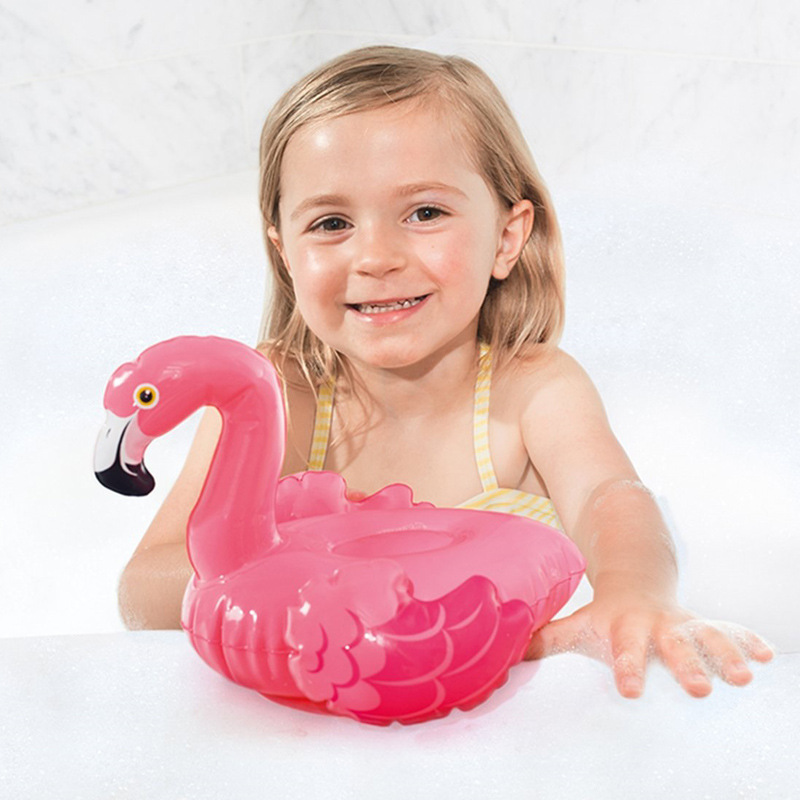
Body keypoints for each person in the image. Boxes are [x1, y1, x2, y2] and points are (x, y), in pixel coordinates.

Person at [118, 44, 773, 698]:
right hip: (327, 719)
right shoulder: (278, 396)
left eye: (425, 213)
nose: (376, 256)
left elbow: (612, 499)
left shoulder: (534, 390)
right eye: (332, 222)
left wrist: (634, 593)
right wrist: (286, 566)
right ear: (286, 253)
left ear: (507, 237)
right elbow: (144, 589)